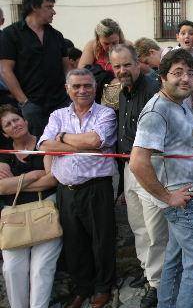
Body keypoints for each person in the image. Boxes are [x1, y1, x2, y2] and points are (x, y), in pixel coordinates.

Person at [129, 48, 193, 307]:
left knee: (175, 261)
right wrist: (167, 197)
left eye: (190, 73)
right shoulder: (157, 110)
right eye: (177, 73)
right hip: (184, 199)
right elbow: (137, 163)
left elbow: (182, 150)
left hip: (188, 194)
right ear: (162, 77)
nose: (185, 79)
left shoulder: (181, 104)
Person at [38, 68, 118, 307]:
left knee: (102, 240)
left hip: (97, 187)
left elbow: (96, 141)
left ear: (95, 88)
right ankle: (83, 288)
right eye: (76, 86)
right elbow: (44, 146)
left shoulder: (106, 113)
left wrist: (61, 138)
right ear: (67, 89)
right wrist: (81, 144)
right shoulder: (57, 114)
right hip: (66, 190)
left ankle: (103, 287)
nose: (82, 90)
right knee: (74, 242)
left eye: (87, 86)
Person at [110, 44, 164, 307]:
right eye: (117, 66)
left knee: (155, 230)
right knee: (138, 226)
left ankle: (158, 283)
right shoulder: (123, 92)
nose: (122, 70)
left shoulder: (153, 89)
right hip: (129, 169)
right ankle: (147, 271)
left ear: (138, 63)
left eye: (126, 65)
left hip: (150, 166)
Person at [0, 104, 61, 308]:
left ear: (25, 121)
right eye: (8, 124)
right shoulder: (4, 154)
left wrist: (16, 183)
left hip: (45, 211)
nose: (14, 124)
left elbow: (51, 180)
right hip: (14, 217)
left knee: (41, 269)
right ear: (4, 133)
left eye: (16, 119)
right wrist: (32, 176)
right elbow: (0, 188)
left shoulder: (43, 145)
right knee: (11, 269)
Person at [0, 0, 69, 137]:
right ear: (34, 7)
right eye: (49, 7)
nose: (53, 12)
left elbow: (67, 68)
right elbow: (6, 70)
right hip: (33, 104)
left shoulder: (57, 36)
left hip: (61, 103)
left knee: (63, 145)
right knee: (38, 149)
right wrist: (24, 102)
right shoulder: (10, 34)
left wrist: (70, 94)